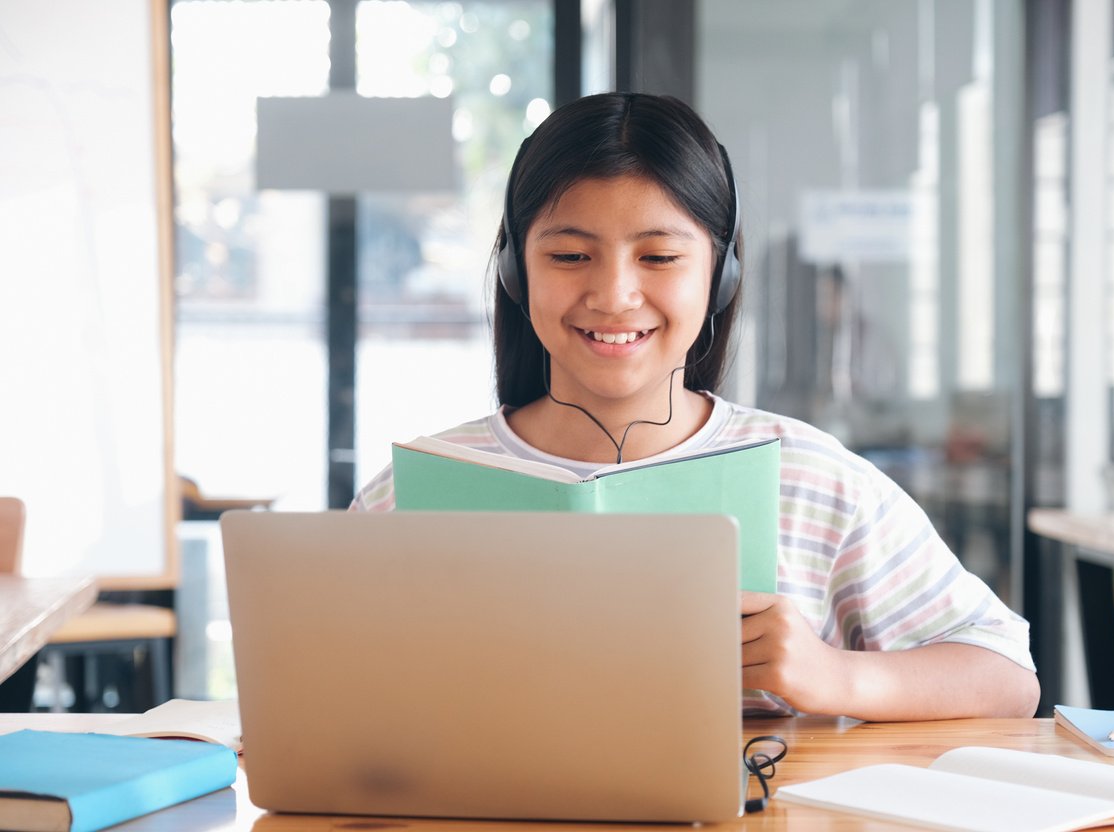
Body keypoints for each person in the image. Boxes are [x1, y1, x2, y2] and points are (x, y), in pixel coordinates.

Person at [352, 92, 1040, 720]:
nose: (615, 294)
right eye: (568, 255)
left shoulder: (813, 480)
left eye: (658, 257)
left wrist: (837, 677)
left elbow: (1008, 672)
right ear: (514, 270)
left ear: (719, 275)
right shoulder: (407, 497)